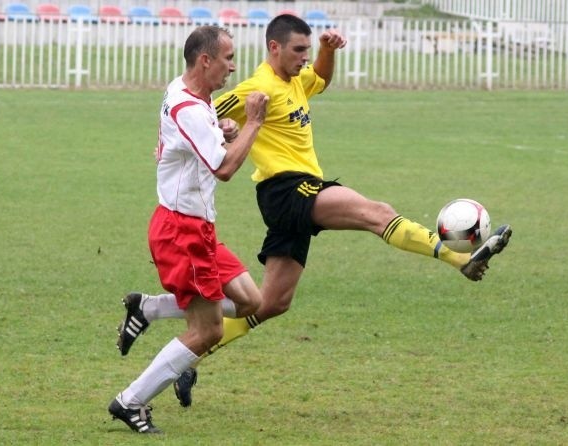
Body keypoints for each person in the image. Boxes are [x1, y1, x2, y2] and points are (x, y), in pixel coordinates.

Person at [119, 14, 512, 408]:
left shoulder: (296, 80)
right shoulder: (257, 88)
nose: (305, 58)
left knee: (268, 303)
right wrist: (221, 126)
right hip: (286, 190)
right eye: (299, 50)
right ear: (274, 48)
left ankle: (181, 344)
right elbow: (206, 114)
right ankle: (457, 256)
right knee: (375, 212)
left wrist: (327, 51)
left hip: (300, 190)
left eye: (307, 50)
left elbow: (320, 80)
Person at [108, 25, 268, 434]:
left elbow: (195, 141)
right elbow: (226, 168)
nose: (234, 67)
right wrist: (251, 123)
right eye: (229, 58)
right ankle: (131, 401)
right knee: (208, 330)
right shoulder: (191, 108)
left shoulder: (190, 93)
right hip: (183, 231)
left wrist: (222, 130)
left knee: (251, 301)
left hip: (198, 228)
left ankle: (148, 308)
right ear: (206, 60)